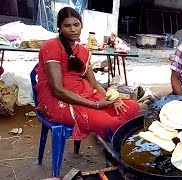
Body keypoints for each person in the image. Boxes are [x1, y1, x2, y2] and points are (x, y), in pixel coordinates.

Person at [35, 7, 140, 141]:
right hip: (58, 101)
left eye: (76, 25)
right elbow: (57, 90)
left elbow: (94, 83)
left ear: (81, 25)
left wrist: (113, 99)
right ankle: (113, 151)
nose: (73, 29)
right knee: (109, 123)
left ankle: (113, 138)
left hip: (84, 94)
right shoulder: (51, 46)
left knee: (132, 107)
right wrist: (95, 105)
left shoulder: (83, 51)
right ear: (59, 28)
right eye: (67, 26)